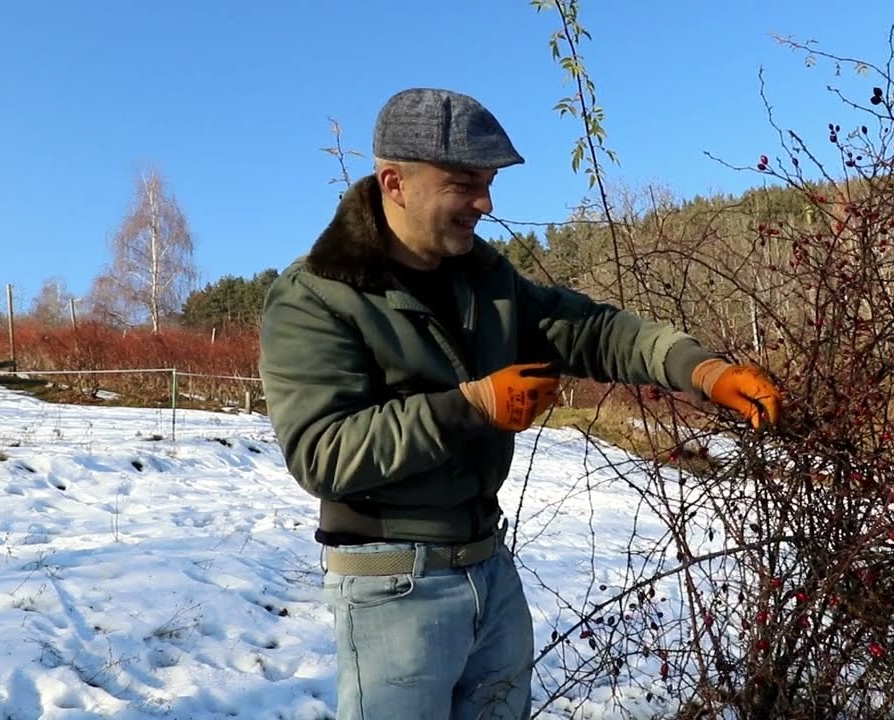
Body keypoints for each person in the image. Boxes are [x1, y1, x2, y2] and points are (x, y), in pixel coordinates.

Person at [258, 87, 782, 720]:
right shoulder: (316, 296)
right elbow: (323, 453)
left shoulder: (485, 279)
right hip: (391, 586)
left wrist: (701, 370)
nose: (485, 204)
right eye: (465, 184)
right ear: (395, 183)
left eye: (488, 184)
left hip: (489, 569)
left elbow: (589, 331)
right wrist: (473, 404)